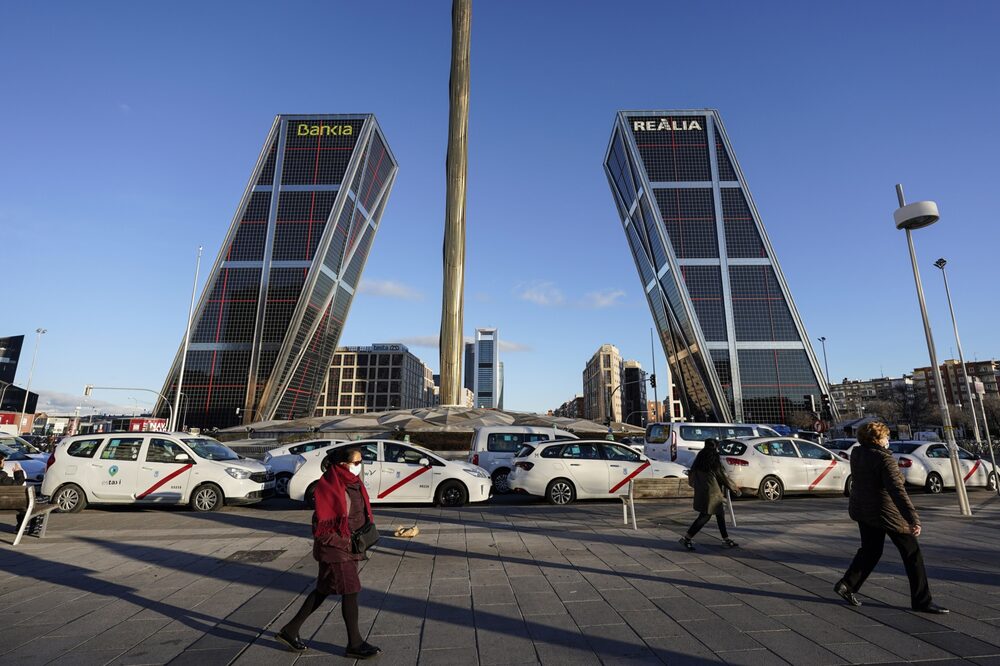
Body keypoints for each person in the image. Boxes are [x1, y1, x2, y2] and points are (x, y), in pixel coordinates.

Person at [275, 447, 382, 658]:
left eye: (361, 461)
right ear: (342, 465)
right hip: (337, 551)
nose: (359, 466)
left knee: (323, 590)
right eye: (356, 462)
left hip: (350, 548)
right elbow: (321, 530)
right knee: (351, 591)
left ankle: (290, 631)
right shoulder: (329, 488)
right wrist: (347, 541)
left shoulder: (354, 484)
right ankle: (355, 644)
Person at [834, 421, 948, 614]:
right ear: (877, 439)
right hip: (887, 512)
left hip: (863, 510)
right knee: (912, 554)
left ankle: (847, 584)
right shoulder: (884, 460)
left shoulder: (858, 454)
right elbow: (897, 491)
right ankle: (922, 600)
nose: (888, 440)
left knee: (871, 551)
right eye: (886, 437)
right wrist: (913, 519)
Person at [678, 438, 741, 550]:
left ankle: (725, 539)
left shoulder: (700, 457)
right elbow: (722, 476)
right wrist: (734, 489)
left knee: (719, 515)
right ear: (715, 447)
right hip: (713, 493)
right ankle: (686, 538)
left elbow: (692, 474)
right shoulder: (714, 459)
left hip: (702, 490)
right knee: (705, 516)